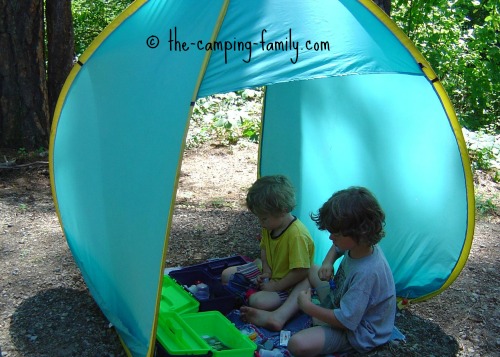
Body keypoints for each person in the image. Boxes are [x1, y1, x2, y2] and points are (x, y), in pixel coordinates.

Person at [240, 186, 396, 356]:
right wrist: (328, 262)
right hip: (341, 301)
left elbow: (346, 321)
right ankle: (278, 316)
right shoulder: (361, 242)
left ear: (358, 232)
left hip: (359, 332)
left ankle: (309, 313)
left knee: (297, 344)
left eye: (335, 234)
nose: (331, 238)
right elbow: (337, 247)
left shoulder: (367, 274)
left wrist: (308, 307)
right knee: (312, 269)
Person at [221, 175, 315, 311]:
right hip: (271, 274)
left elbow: (301, 271)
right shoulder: (270, 225)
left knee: (258, 302)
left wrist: (275, 286)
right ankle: (244, 293)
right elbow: (264, 249)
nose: (261, 223)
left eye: (264, 218)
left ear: (283, 210)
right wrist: (266, 271)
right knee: (226, 275)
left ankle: (252, 296)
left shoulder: (296, 235)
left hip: (289, 284)